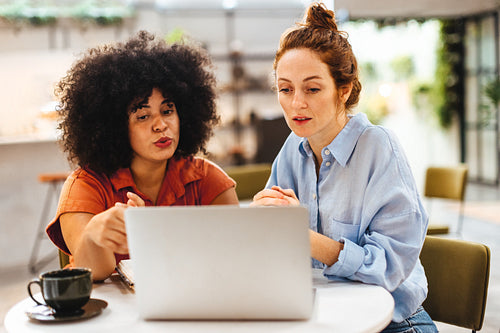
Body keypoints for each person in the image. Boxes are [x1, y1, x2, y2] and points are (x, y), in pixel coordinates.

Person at [251, 3, 437, 332]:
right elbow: (276, 247)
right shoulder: (292, 150)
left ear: (344, 89)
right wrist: (263, 226)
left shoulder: (379, 147)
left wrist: (300, 235)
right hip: (323, 314)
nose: (296, 103)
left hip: (393, 322)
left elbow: (390, 268)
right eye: (285, 89)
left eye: (312, 89)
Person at [46, 31, 238, 281]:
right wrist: (96, 234)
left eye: (168, 110)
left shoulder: (207, 180)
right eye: (143, 116)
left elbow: (236, 258)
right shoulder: (86, 185)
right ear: (114, 126)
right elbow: (94, 273)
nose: (161, 125)